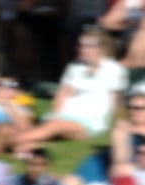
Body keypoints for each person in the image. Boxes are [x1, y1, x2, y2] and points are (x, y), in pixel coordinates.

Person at [12, 27, 128, 156]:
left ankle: (14, 141)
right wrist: (55, 115)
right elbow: (62, 95)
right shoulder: (74, 67)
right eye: (81, 45)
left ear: (101, 48)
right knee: (40, 122)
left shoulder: (113, 69)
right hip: (64, 116)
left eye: (88, 46)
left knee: (54, 127)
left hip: (89, 122)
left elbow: (117, 101)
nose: (83, 49)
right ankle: (28, 146)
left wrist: (118, 122)